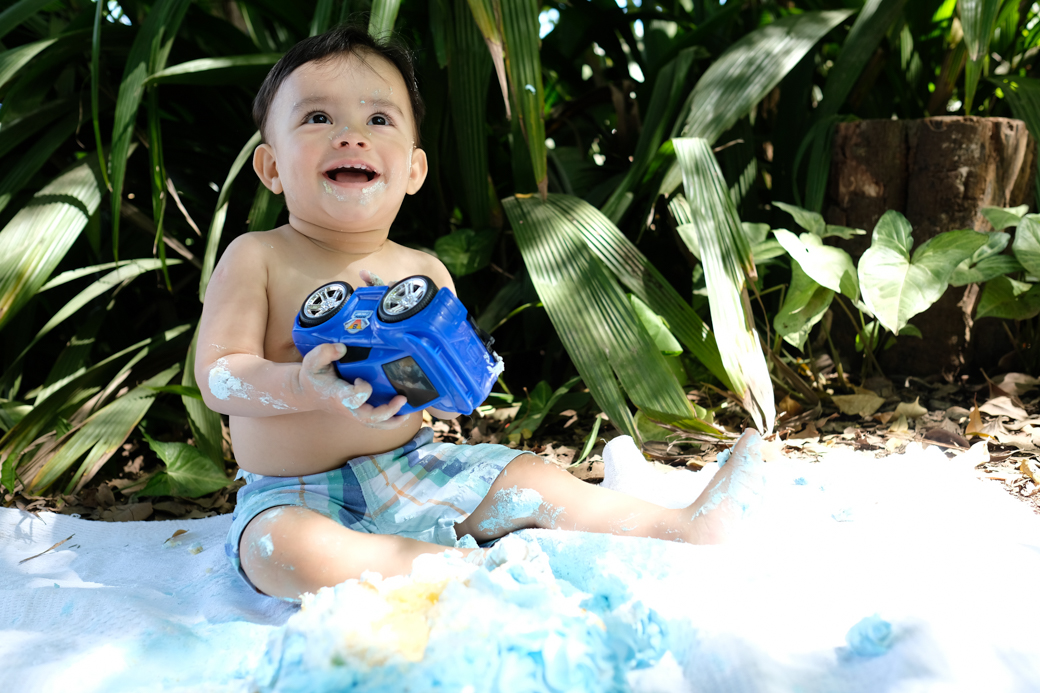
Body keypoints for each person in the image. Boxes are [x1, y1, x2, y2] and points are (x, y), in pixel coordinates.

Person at [196, 25, 766, 602]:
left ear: (414, 171)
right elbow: (219, 376)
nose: (350, 137)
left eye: (379, 120)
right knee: (279, 550)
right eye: (317, 118)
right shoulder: (259, 257)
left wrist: (453, 383)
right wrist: (300, 385)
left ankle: (678, 527)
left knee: (528, 478)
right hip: (298, 496)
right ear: (270, 167)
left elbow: (446, 395)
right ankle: (468, 577)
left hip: (417, 468)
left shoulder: (422, 272)